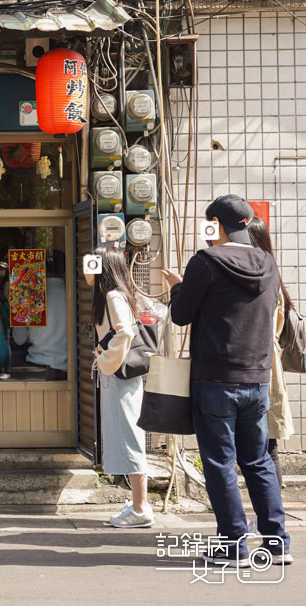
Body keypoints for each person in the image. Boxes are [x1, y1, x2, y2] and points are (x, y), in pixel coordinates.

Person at [163, 195, 291, 566]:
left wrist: (178, 286)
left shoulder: (206, 262)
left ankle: (233, 544)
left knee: (219, 462)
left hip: (217, 377)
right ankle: (277, 542)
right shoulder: (268, 262)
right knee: (258, 461)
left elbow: (182, 316)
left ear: (215, 225)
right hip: (258, 377)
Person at [86, 246, 154, 529]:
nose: (86, 269)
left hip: (120, 376)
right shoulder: (115, 295)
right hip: (120, 376)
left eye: (91, 263)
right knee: (127, 435)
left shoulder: (113, 296)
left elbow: (125, 331)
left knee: (129, 438)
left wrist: (105, 359)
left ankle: (140, 509)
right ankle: (140, 504)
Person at [246, 216, 295, 487]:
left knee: (265, 447)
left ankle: (270, 515)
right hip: (266, 367)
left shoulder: (261, 277)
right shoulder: (270, 274)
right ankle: (271, 515)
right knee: (266, 447)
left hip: (261, 368)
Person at [12, 252, 68, 380]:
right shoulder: (73, 295)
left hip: (37, 364)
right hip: (68, 367)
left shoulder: (30, 296)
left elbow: (19, 338)